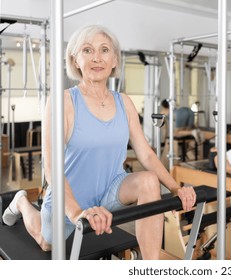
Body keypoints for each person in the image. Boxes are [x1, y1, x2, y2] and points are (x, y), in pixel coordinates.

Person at [1, 25, 196, 260]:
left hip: (110, 189)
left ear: (114, 59)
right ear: (75, 59)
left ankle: (150, 267)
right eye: (87, 50)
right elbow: (51, 167)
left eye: (104, 50)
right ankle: (21, 201)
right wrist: (76, 214)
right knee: (47, 242)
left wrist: (176, 188)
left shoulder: (124, 102)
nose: (97, 57)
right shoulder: (63, 102)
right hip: (71, 195)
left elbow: (146, 155)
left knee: (148, 181)